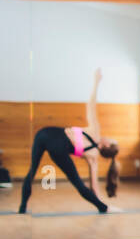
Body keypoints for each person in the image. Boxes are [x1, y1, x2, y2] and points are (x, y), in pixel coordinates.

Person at [18, 68, 122, 214]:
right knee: (78, 183)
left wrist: (96, 82)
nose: (108, 137)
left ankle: (22, 207)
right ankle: (103, 208)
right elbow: (93, 186)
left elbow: (90, 105)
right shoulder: (93, 157)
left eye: (111, 139)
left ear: (107, 144)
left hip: (45, 133)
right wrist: (100, 203)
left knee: (32, 171)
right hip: (59, 150)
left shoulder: (95, 132)